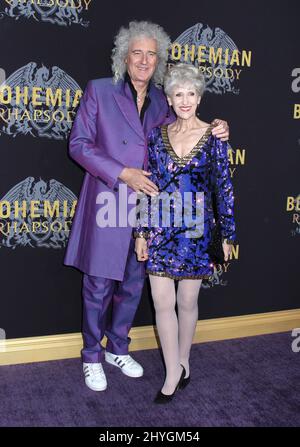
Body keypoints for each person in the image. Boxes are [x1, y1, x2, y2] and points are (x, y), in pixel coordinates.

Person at [64, 21, 230, 392]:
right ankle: (92, 353)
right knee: (98, 283)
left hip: (150, 209)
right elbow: (78, 144)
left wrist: (219, 126)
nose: (143, 60)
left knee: (134, 283)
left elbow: (188, 129)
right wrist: (122, 172)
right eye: (137, 52)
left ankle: (118, 347)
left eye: (151, 54)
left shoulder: (164, 100)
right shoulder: (99, 90)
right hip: (109, 199)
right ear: (124, 56)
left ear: (159, 61)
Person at [135, 63, 237, 403]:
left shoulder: (214, 135)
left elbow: (223, 187)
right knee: (161, 302)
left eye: (191, 93)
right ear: (168, 97)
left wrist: (226, 234)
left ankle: (184, 359)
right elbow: (148, 187)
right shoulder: (155, 137)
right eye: (178, 93)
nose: (185, 100)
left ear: (199, 96)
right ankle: (171, 372)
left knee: (187, 301)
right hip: (161, 229)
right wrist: (141, 232)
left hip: (197, 230)